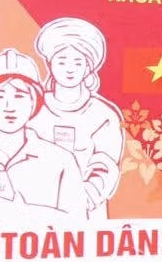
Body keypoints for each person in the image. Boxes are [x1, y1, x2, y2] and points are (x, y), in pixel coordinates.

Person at [0, 49, 84, 222]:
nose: (9, 106)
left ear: (34, 102)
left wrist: (20, 213)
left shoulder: (61, 160)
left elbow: (81, 223)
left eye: (19, 96)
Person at [28, 18, 125, 218]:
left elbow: (105, 165)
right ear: (50, 64)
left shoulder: (103, 114)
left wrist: (79, 199)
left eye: (78, 62)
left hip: (86, 213)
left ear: (88, 67)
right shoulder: (33, 109)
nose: (69, 69)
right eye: (62, 61)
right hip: (35, 208)